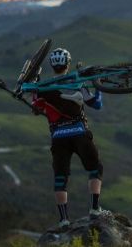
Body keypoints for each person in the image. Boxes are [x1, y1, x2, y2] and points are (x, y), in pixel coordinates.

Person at [29, 47, 108, 228]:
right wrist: (98, 88)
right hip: (79, 132)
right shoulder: (77, 83)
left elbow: (36, 108)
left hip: (58, 137)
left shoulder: (43, 89)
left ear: (52, 65)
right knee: (95, 168)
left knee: (60, 178)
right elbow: (97, 105)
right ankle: (95, 209)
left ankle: (64, 220)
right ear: (68, 63)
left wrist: (37, 83)